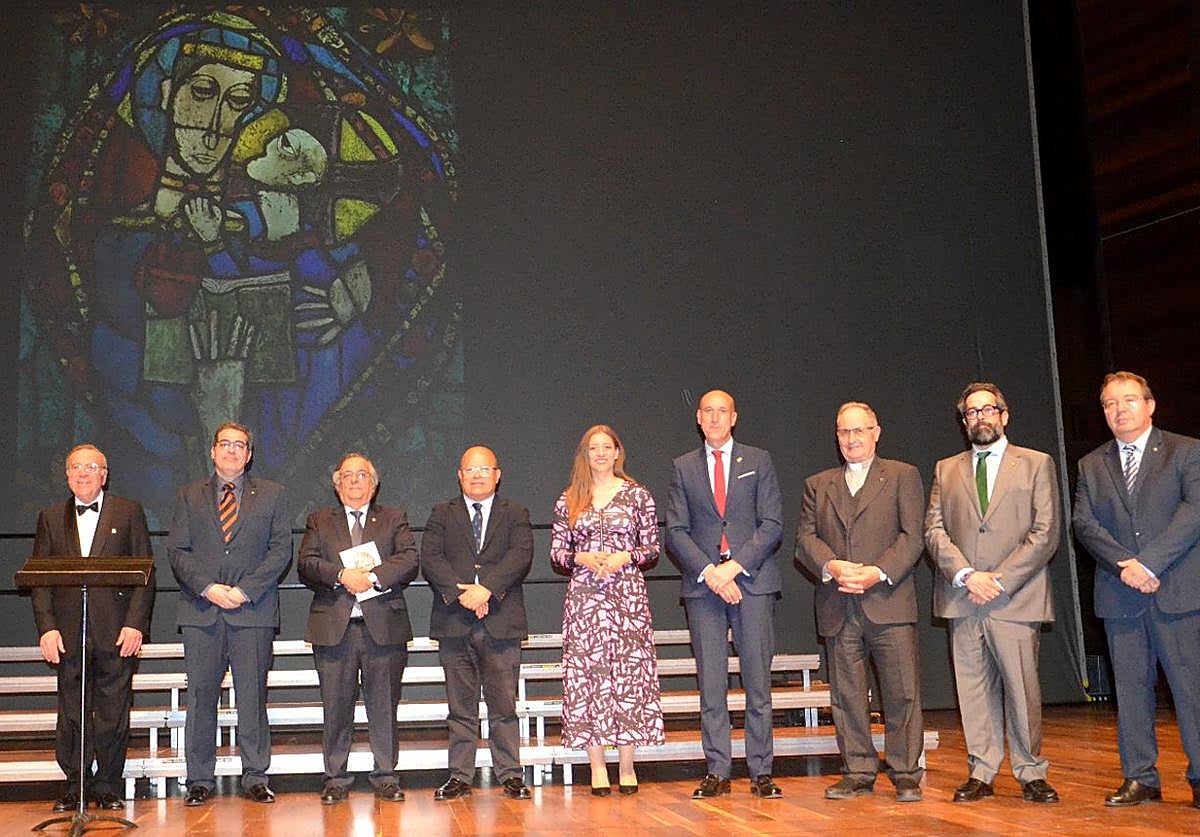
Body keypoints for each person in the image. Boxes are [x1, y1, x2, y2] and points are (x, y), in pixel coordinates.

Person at [925, 382, 1060, 804]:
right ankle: (981, 771)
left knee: (1022, 690)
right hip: (964, 597)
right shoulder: (945, 469)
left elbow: (1045, 532)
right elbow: (934, 531)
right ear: (964, 422)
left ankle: (1030, 771)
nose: (980, 417)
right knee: (973, 692)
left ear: (1004, 415)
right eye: (971, 412)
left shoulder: (1036, 463)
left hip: (1015, 597)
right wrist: (967, 575)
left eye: (987, 409)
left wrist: (998, 580)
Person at [1072, 371, 1200, 810]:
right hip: (1120, 594)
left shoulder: (1187, 451)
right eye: (1109, 404)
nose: (1119, 409)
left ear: (1150, 405)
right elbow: (1085, 524)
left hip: (1177, 592)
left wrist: (1149, 564)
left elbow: (1193, 514)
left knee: (1191, 690)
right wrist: (1125, 565)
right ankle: (1140, 777)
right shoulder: (1091, 464)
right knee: (1130, 692)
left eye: (1128, 400)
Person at [795, 402, 926, 802]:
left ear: (876, 433)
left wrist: (877, 571)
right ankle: (857, 771)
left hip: (888, 600)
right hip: (838, 605)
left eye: (858, 431)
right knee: (847, 696)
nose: (851, 439)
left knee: (902, 693)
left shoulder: (902, 475)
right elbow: (805, 540)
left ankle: (906, 773)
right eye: (843, 432)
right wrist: (832, 566)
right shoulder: (818, 484)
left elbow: (913, 536)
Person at [665, 389, 784, 799]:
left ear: (734, 418)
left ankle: (761, 770)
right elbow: (675, 531)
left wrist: (734, 567)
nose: (715, 418)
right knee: (711, 684)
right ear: (698, 418)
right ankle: (717, 769)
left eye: (723, 411)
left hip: (753, 583)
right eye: (708, 412)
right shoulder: (683, 467)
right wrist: (710, 572)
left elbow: (772, 524)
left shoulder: (758, 460)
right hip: (704, 589)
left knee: (758, 682)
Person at [167, 422, 290, 806]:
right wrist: (208, 588)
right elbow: (178, 551)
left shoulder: (272, 494)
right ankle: (199, 779)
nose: (232, 450)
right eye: (225, 444)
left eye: (240, 445)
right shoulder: (189, 495)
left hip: (252, 610)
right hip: (202, 610)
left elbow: (280, 550)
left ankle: (255, 776)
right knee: (201, 697)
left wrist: (243, 591)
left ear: (249, 454)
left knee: (252, 697)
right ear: (213, 450)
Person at [30, 444, 154, 813]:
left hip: (116, 631)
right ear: (67, 474)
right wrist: (47, 628)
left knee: (114, 711)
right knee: (71, 711)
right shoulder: (50, 517)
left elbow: (145, 573)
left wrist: (135, 624)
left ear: (105, 474)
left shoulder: (129, 512)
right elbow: (39, 579)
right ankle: (75, 785)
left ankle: (108, 786)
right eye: (76, 467)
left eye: (91, 467)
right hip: (67, 633)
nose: (83, 473)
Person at [297, 453, 419, 804]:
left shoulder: (393, 518)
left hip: (383, 626)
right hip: (334, 627)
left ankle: (386, 776)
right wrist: (341, 575)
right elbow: (306, 564)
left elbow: (409, 559)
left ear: (373, 483)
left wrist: (373, 577)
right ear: (337, 485)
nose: (354, 480)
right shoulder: (319, 520)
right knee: (336, 707)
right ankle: (335, 778)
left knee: (384, 706)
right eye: (347, 475)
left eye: (361, 474)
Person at [550, 425, 664, 796]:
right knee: (588, 677)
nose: (599, 453)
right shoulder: (569, 498)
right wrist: (580, 557)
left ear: (617, 452)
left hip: (627, 596)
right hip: (585, 598)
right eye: (592, 448)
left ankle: (627, 766)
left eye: (606, 447)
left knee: (628, 677)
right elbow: (557, 553)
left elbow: (652, 548)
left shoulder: (638, 495)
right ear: (584, 455)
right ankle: (597, 766)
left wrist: (624, 556)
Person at [420, 446, 534, 801]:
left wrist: (486, 590)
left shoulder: (515, 513)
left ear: (497, 475)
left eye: (484, 469)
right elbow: (431, 559)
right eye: (470, 470)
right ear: (460, 475)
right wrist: (464, 595)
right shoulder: (442, 513)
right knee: (460, 708)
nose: (477, 475)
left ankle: (510, 774)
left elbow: (520, 556)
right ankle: (459, 776)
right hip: (455, 621)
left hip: (502, 621)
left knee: (504, 706)